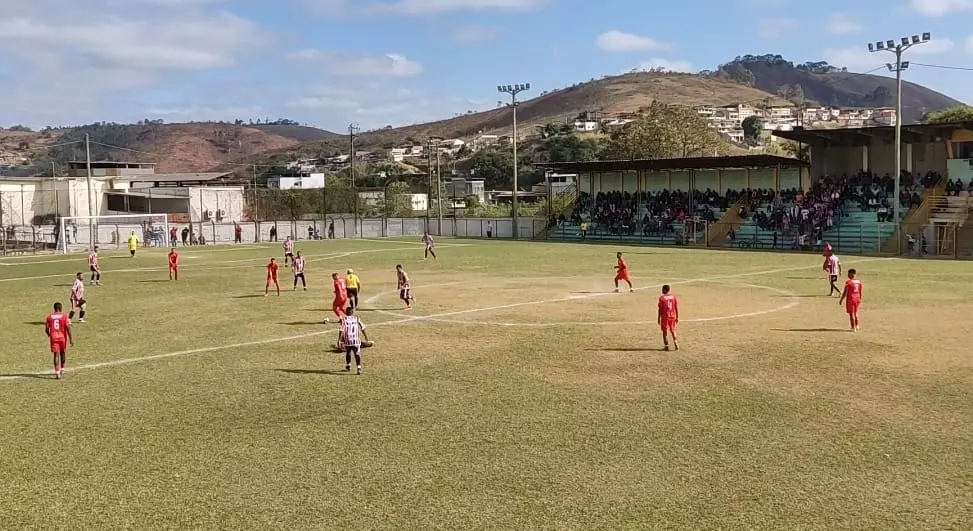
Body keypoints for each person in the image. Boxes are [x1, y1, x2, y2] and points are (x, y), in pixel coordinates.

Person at [45, 302, 73, 379]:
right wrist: (70, 339)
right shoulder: (64, 316)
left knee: (55, 354)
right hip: (62, 337)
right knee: (62, 352)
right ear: (60, 308)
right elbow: (68, 328)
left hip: (54, 338)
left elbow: (46, 329)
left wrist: (49, 335)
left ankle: (57, 372)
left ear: (54, 308)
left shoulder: (49, 317)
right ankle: (62, 369)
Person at [340, 306, 369, 375]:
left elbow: (341, 330)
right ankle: (359, 368)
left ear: (346, 312)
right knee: (357, 353)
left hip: (348, 340)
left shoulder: (344, 320)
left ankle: (348, 365)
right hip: (356, 340)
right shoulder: (357, 319)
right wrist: (365, 336)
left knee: (348, 352)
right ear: (352, 312)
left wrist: (339, 340)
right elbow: (363, 327)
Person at [657, 284, 679, 351]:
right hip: (672, 315)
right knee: (672, 330)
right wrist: (677, 316)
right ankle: (676, 342)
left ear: (664, 290)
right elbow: (676, 307)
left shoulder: (662, 298)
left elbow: (660, 309)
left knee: (665, 332)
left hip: (665, 316)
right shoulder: (673, 297)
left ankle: (666, 346)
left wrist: (658, 318)